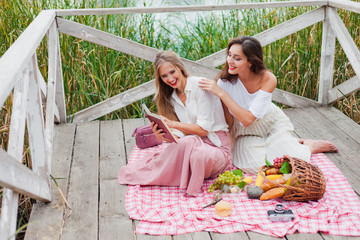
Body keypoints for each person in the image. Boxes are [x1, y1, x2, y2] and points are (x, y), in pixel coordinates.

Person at [198, 36, 337, 174]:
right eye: (229, 55)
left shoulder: (267, 78)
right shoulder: (224, 82)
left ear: (251, 62)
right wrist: (227, 143)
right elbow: (229, 121)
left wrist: (222, 94)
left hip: (269, 123)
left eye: (237, 58)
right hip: (243, 132)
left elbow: (247, 120)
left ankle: (308, 146)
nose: (230, 61)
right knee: (257, 166)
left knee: (291, 163)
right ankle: (289, 142)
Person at [118, 50, 232, 196]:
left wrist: (172, 124)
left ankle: (189, 187)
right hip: (191, 143)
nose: (170, 78)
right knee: (185, 144)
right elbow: (180, 135)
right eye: (164, 76)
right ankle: (164, 170)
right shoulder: (172, 97)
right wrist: (164, 136)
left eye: (172, 72)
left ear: (180, 68)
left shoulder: (200, 85)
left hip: (217, 147)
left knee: (197, 153)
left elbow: (203, 130)